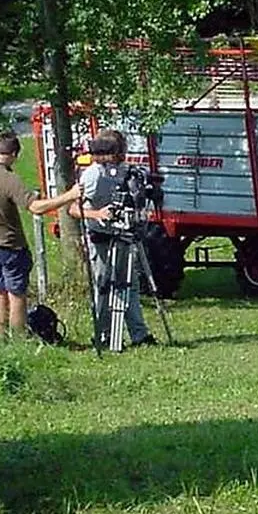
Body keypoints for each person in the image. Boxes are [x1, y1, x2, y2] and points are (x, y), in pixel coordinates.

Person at [0, 131, 81, 339]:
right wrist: (69, 196)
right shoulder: (9, 179)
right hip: (10, 246)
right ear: (14, 154)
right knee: (17, 295)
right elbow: (35, 207)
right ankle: (20, 338)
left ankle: (0, 337)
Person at [69, 130, 156, 349]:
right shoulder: (92, 176)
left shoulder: (127, 172)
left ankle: (139, 334)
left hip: (124, 234)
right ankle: (104, 334)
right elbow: (73, 209)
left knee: (130, 285)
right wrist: (97, 214)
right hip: (101, 238)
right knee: (104, 285)